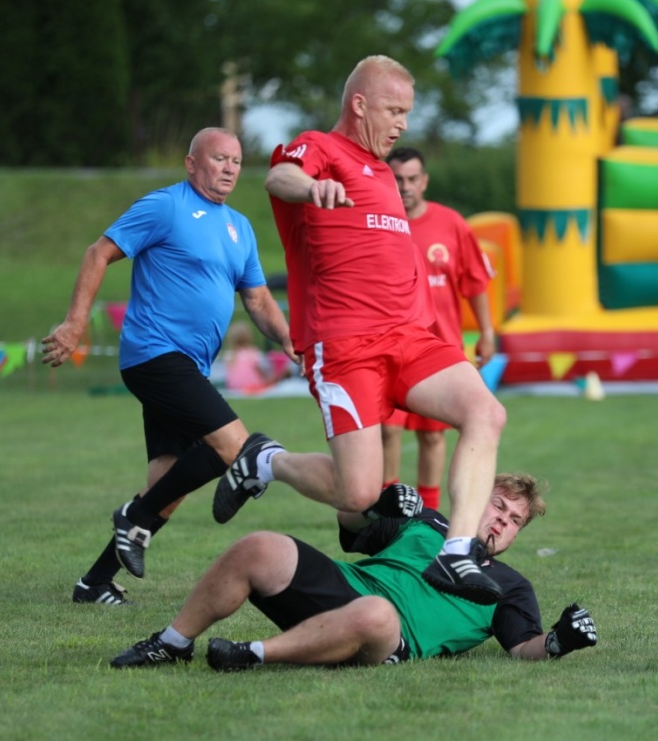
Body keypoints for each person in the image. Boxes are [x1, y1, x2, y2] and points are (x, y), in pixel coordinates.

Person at [212, 55, 508, 605]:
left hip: (409, 338)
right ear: (360, 104)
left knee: (486, 411)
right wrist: (309, 189)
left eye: (407, 114)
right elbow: (280, 175)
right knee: (358, 491)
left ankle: (455, 554)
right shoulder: (321, 149)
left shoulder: (383, 174)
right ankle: (265, 460)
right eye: (394, 110)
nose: (402, 124)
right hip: (345, 347)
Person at [42, 127, 296, 604]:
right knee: (233, 448)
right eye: (218, 158)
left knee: (168, 481)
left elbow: (258, 299)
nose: (228, 168)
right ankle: (132, 519)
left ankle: (94, 582)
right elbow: (98, 253)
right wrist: (75, 324)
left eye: (236, 161)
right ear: (191, 163)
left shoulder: (239, 227)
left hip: (188, 368)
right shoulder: (167, 206)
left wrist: (288, 338)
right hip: (155, 355)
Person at [111, 473, 598, 670]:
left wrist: (559, 641)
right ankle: (171, 642)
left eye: (514, 520)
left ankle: (254, 654)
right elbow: (350, 531)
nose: (501, 521)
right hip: (346, 586)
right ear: (476, 498)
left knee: (378, 614)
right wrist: (376, 508)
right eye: (497, 505)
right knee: (259, 545)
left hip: (387, 636)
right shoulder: (429, 523)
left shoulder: (510, 586)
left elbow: (522, 648)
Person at [380, 146, 496, 511]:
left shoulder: (452, 224)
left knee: (433, 437)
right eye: (397, 179)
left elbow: (475, 283)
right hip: (389, 347)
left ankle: (428, 513)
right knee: (387, 429)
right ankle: (385, 511)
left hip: (439, 349)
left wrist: (487, 333)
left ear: (424, 181)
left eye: (412, 179)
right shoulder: (377, 222)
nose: (405, 186)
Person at [222, 321, 282, 395]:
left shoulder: (229, 355)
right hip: (253, 387)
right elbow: (263, 372)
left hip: (233, 387)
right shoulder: (253, 353)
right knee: (275, 378)